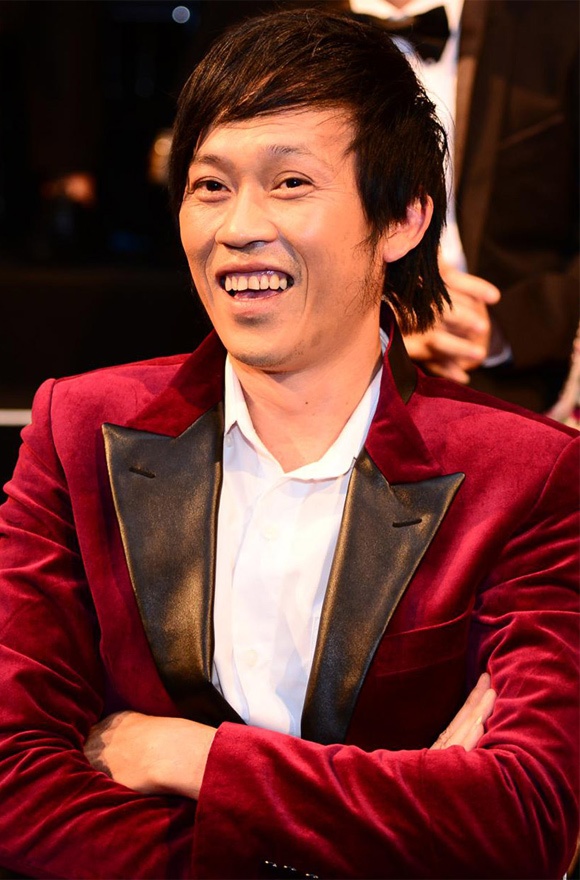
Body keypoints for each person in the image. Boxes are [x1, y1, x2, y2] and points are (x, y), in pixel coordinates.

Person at [0, 9, 577, 879]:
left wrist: (194, 759)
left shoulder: (525, 475)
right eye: (210, 185)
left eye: (291, 182)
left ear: (403, 219)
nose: (238, 226)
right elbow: (14, 778)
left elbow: (525, 818)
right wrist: (392, 816)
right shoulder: (80, 431)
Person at [348, 0, 579, 413]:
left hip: (507, 375)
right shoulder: (268, 25)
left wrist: (503, 331)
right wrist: (370, 315)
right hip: (324, 368)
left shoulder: (560, 22)